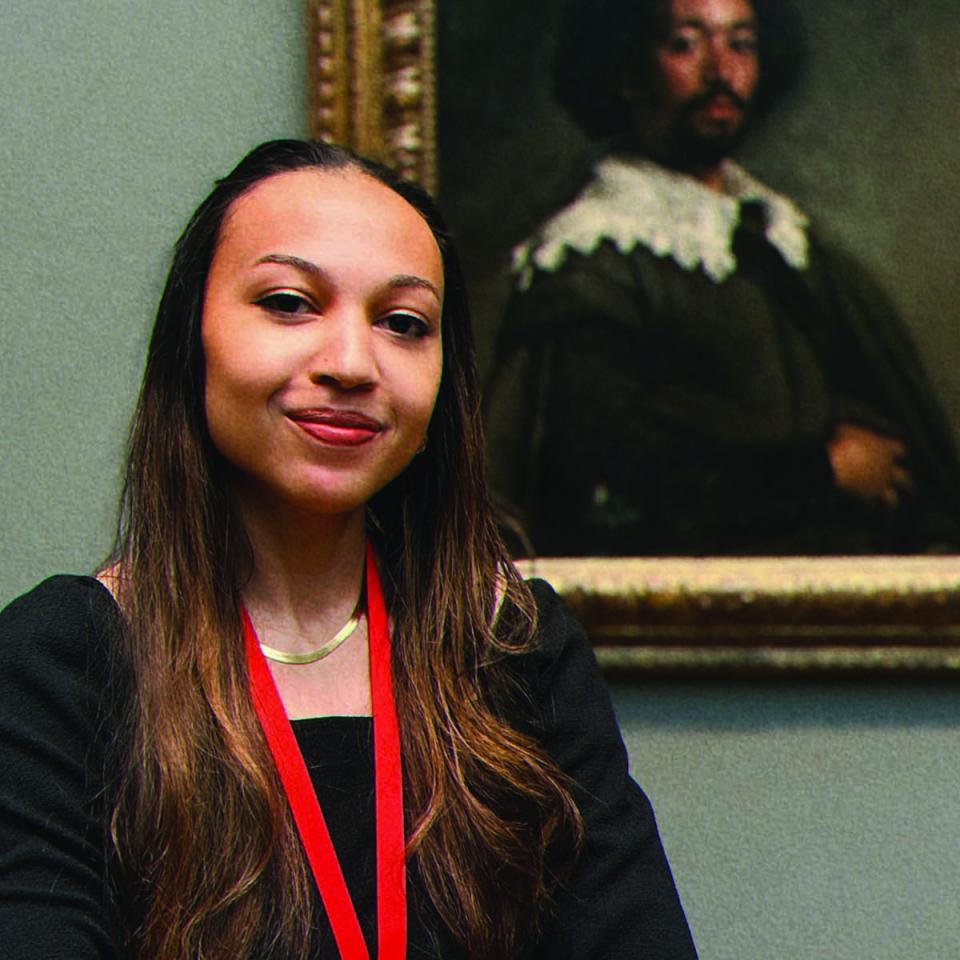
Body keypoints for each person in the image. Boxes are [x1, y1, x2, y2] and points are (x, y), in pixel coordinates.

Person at [0, 139, 698, 959]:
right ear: (194, 339)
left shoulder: (516, 647)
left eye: (404, 324)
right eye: (290, 303)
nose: (352, 364)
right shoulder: (61, 660)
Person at [484, 0, 960, 556]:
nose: (721, 71)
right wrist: (820, 471)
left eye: (741, 43)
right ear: (626, 70)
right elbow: (610, 480)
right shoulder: (593, 260)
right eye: (686, 44)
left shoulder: (780, 239)